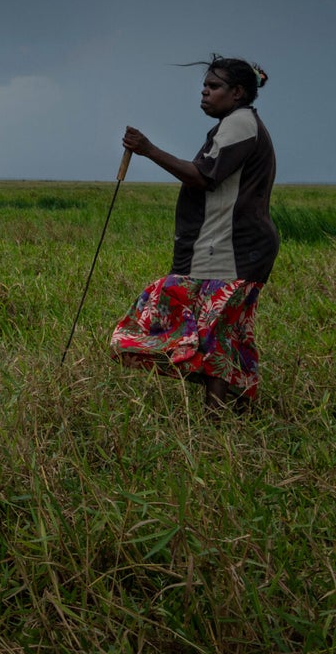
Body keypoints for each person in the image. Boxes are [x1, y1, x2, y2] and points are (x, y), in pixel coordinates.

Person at [110, 56, 277, 413]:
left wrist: (149, 150)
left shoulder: (240, 123)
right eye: (205, 85)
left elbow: (203, 176)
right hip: (220, 247)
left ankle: (215, 417)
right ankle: (229, 408)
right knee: (221, 332)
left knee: (210, 330)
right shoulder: (234, 124)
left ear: (237, 93)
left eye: (214, 86)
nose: (204, 91)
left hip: (233, 249)